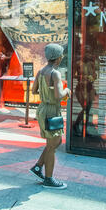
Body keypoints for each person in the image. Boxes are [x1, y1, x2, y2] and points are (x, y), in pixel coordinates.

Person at [30, 44, 71, 189]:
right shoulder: (55, 73)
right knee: (53, 145)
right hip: (52, 110)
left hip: (43, 108)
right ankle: (48, 179)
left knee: (55, 142)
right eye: (61, 56)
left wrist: (46, 90)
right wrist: (67, 90)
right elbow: (59, 95)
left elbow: (34, 90)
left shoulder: (41, 71)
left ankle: (38, 167)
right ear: (58, 57)